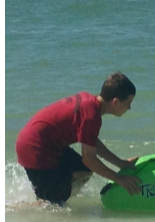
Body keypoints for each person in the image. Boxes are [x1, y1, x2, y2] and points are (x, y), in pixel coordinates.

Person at [15, 72, 142, 206]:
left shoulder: (90, 104)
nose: (129, 108)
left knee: (84, 171)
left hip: (45, 143)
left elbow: (91, 141)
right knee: (52, 206)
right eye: (128, 103)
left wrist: (120, 163)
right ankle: (23, 206)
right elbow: (89, 159)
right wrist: (119, 179)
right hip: (35, 148)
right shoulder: (91, 115)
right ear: (115, 101)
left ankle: (58, 192)